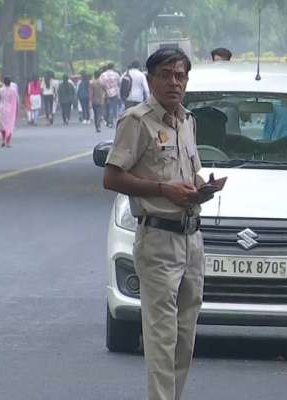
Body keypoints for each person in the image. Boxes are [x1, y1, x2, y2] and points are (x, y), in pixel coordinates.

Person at [103, 47, 214, 400]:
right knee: (162, 336)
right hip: (157, 239)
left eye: (180, 75)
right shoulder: (136, 121)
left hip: (191, 240)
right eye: (166, 74)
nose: (174, 82)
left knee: (184, 337)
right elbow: (112, 177)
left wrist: (200, 188)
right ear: (150, 79)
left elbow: (187, 172)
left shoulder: (187, 121)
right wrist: (162, 189)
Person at [0, 76, 18, 148]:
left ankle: (3, 140)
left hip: (2, 108)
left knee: (3, 125)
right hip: (10, 109)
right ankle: (8, 142)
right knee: (9, 125)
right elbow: (15, 101)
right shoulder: (13, 90)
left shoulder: (0, 90)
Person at [100, 63, 121, 128]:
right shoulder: (116, 74)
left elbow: (100, 83)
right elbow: (119, 83)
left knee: (106, 107)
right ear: (113, 67)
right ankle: (110, 122)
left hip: (105, 93)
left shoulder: (103, 75)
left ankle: (106, 120)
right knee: (112, 108)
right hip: (114, 93)